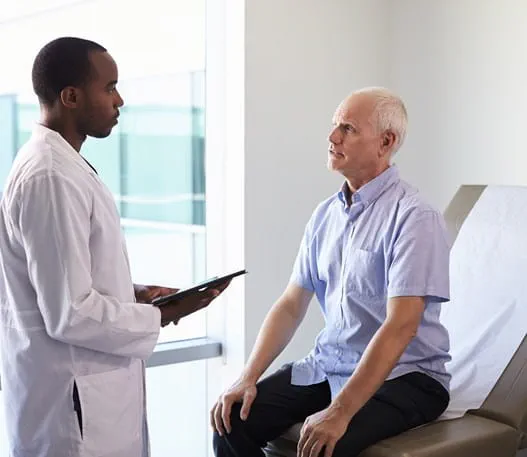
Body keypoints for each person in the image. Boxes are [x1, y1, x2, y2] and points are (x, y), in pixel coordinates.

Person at [0, 37, 229, 457]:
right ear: (70, 97)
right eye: (109, 88)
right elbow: (69, 312)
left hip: (86, 397)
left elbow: (61, 279)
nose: (119, 100)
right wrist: (160, 315)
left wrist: (132, 293)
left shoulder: (61, 166)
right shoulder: (51, 177)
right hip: (72, 409)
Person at [211, 87, 451, 457]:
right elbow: (292, 304)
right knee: (231, 421)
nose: (332, 136)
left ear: (385, 142)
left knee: (327, 446)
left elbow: (400, 325)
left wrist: (339, 412)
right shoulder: (326, 215)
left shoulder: (414, 217)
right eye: (334, 125)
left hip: (406, 377)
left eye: (348, 128)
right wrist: (248, 377)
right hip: (331, 364)